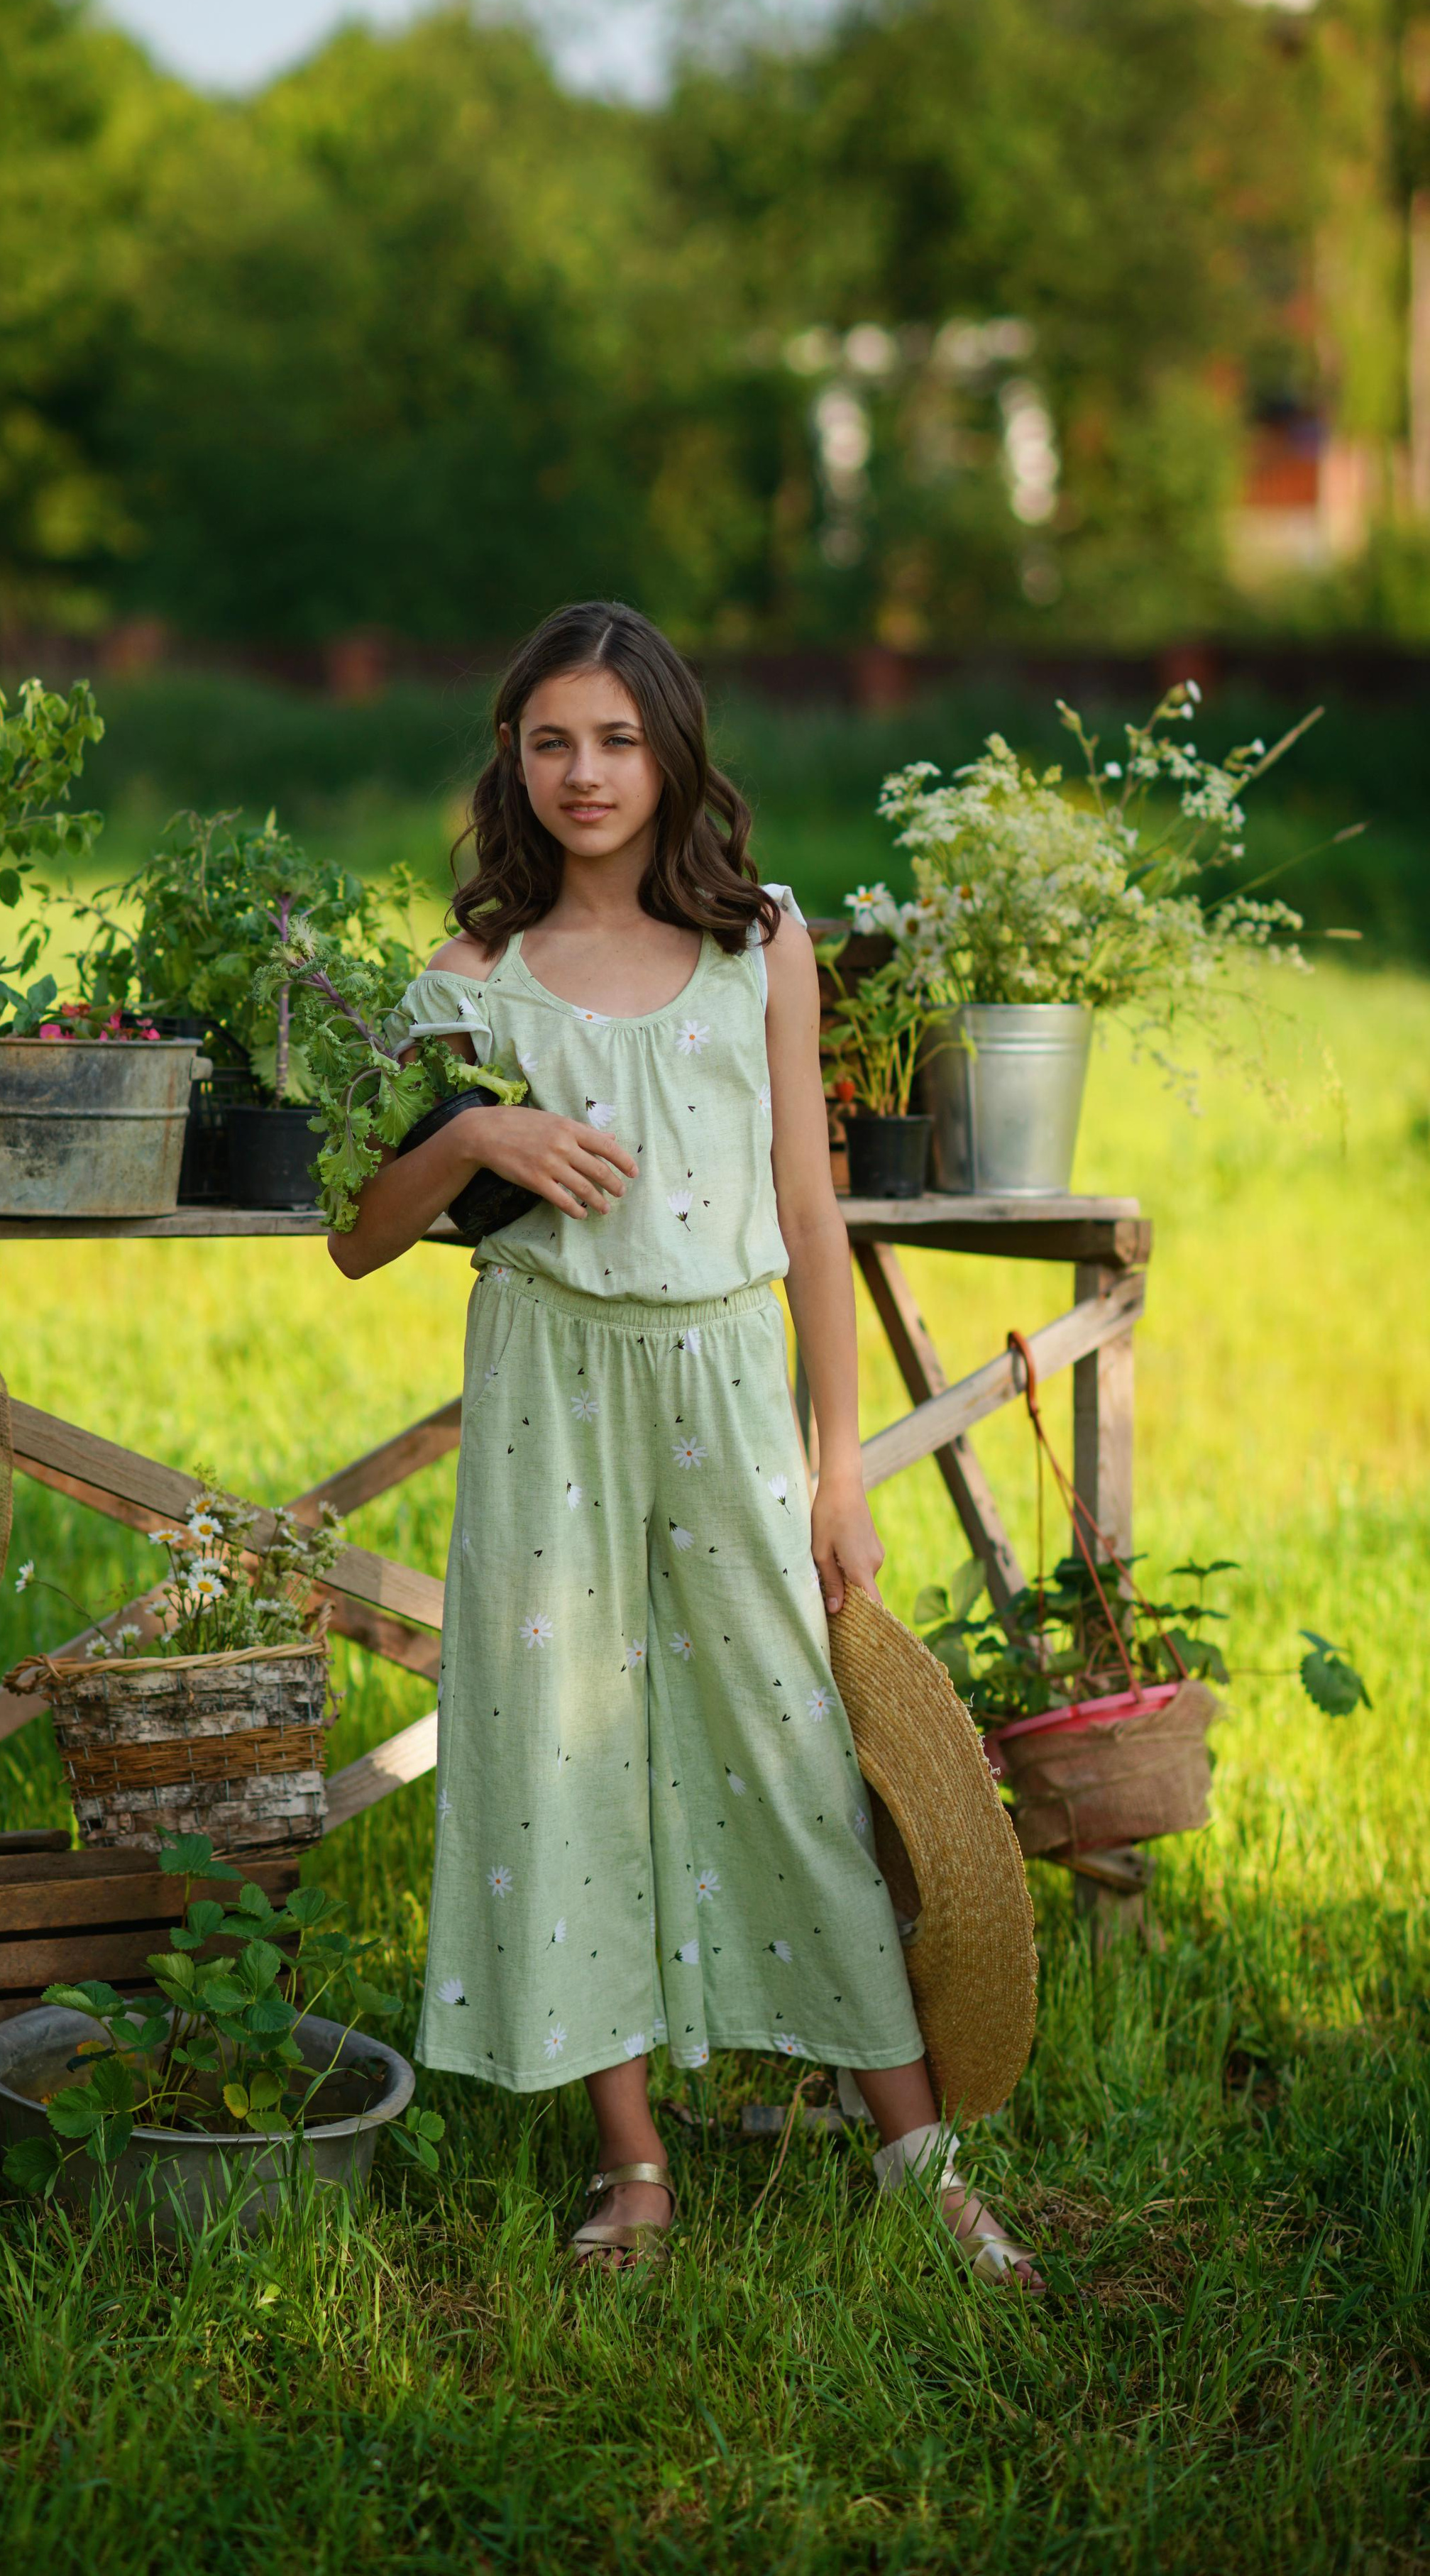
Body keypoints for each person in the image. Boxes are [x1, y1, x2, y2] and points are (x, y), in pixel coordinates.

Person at [329, 600, 1038, 2288]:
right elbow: (357, 1234)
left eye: (616, 739)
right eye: (550, 740)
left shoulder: (758, 943)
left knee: (789, 1751)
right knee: (560, 1752)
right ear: (510, 758)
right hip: (545, 1386)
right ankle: (632, 2159)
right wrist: (477, 1132)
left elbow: (810, 1211)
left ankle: (916, 2155)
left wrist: (840, 1467)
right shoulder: (468, 980)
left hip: (725, 1382)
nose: (583, 772)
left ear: (671, 753)